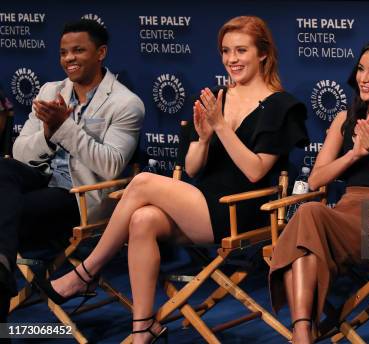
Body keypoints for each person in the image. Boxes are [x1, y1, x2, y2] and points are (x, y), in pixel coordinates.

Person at [38, 15, 308, 343]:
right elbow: (193, 169)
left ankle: (87, 271)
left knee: (142, 183)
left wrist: (221, 126)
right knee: (142, 219)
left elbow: (255, 171)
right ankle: (143, 328)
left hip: (244, 212)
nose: (231, 60)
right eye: (225, 51)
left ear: (263, 54)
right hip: (202, 206)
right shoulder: (219, 97)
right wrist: (206, 137)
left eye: (241, 51)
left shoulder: (282, 106)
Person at [268, 38, 369, 344]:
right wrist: (355, 154)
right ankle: (303, 329)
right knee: (309, 224)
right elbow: (317, 180)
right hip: (343, 214)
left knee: (308, 220)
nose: (363, 79)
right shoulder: (345, 119)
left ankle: (301, 331)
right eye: (360, 69)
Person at [0, 19, 144, 323]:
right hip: (41, 179)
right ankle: (2, 269)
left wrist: (64, 127)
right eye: (64, 52)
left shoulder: (125, 103)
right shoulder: (51, 90)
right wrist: (49, 134)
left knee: (10, 208)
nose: (69, 59)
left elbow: (109, 166)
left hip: (80, 197)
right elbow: (21, 152)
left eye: (78, 50)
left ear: (101, 52)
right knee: (4, 168)